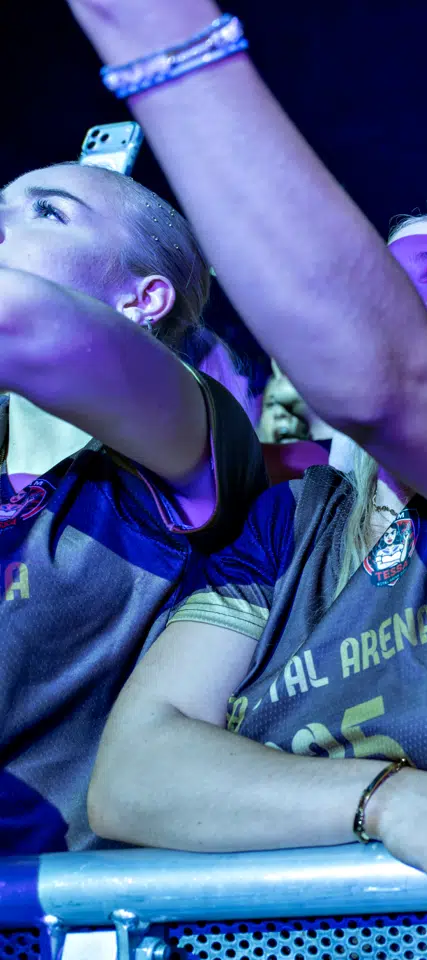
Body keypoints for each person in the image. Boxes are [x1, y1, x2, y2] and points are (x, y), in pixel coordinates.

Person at [69, 0, 427, 924]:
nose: (389, 301)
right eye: (381, 275)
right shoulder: (288, 523)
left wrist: (166, 46)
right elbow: (131, 778)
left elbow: (387, 381)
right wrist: (382, 802)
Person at [0, 160, 266, 853]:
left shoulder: (184, 431)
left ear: (142, 299)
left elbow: (25, 321)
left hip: (67, 912)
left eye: (47, 211)